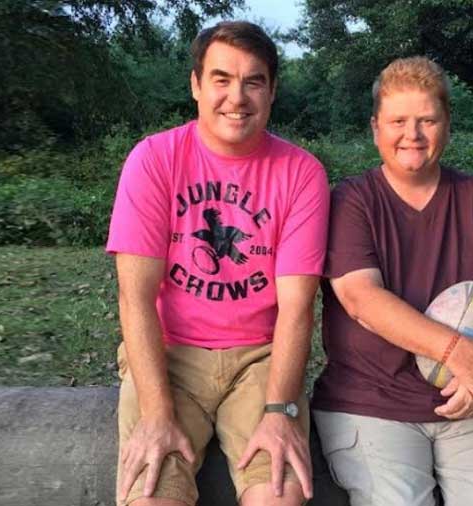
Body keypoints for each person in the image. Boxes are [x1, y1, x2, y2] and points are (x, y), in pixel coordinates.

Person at [106, 21, 329, 506]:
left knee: (280, 497)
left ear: (271, 91)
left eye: (253, 81)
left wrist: (279, 408)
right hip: (172, 354)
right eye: (222, 79)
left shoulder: (301, 172)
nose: (237, 97)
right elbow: (135, 297)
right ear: (196, 85)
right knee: (151, 496)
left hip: (260, 360)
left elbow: (297, 307)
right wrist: (157, 413)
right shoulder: (153, 160)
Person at [311, 56, 473, 506]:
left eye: (427, 120)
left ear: (447, 124)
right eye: (398, 121)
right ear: (376, 128)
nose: (411, 135)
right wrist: (458, 352)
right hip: (371, 403)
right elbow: (361, 299)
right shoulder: (351, 200)